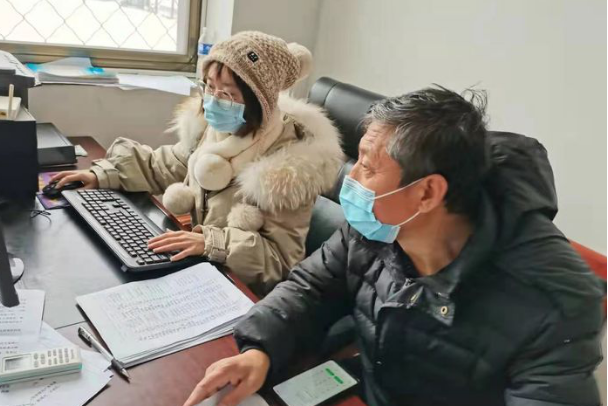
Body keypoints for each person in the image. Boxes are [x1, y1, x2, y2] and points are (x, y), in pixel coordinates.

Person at [183, 87, 606, 406]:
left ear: (427, 193)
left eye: (367, 167)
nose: (349, 179)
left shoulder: (555, 303)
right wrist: (260, 350)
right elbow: (310, 289)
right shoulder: (376, 229)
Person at [52, 31, 343, 295]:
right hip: (206, 268)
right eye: (209, 87)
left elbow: (280, 263)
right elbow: (168, 164)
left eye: (227, 93)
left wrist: (212, 243)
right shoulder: (214, 129)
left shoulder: (288, 168)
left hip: (244, 292)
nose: (213, 100)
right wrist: (104, 173)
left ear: (259, 100)